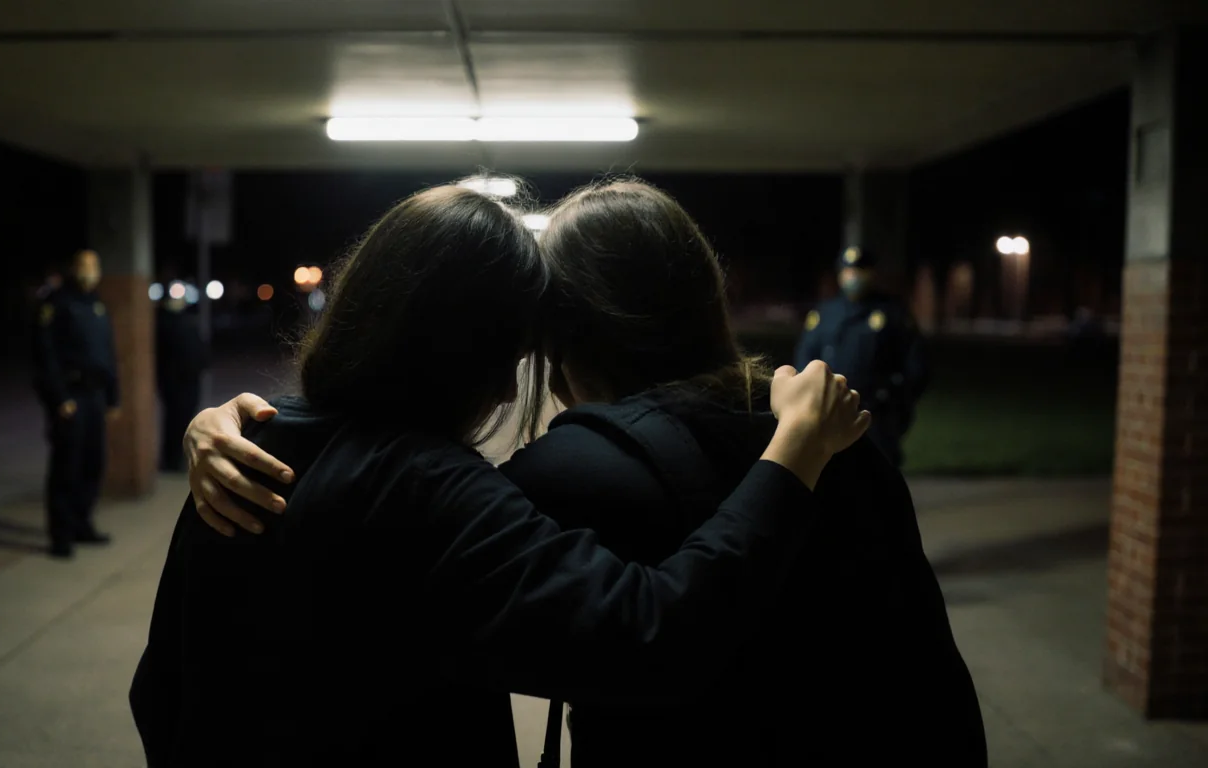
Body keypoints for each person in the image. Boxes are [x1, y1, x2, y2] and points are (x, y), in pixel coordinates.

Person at [189, 180, 985, 766]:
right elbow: (930, 669)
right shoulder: (841, 433)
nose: (515, 382)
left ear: (568, 328)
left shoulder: (569, 469)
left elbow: (651, 635)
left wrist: (240, 426)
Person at [795, 245, 929, 467]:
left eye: (859, 271)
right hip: (832, 414)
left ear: (872, 274)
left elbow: (917, 367)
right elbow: (804, 360)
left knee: (880, 482)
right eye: (848, 272)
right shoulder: (825, 313)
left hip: (877, 417)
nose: (853, 277)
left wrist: (895, 402)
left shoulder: (893, 313)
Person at [33, 249, 118, 559]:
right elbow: (45, 357)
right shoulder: (57, 304)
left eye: (94, 266)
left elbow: (108, 354)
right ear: (73, 268)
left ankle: (83, 524)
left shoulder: (96, 304)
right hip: (71, 396)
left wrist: (113, 396)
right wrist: (60, 398)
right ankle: (61, 536)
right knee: (66, 467)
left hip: (95, 396)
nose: (90, 271)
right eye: (84, 265)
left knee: (92, 463)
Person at [156, 290, 209, 472]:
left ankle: (178, 457)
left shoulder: (188, 320)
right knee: (175, 421)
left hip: (190, 380)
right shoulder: (165, 323)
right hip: (175, 383)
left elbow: (200, 348)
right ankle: (171, 460)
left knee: (186, 418)